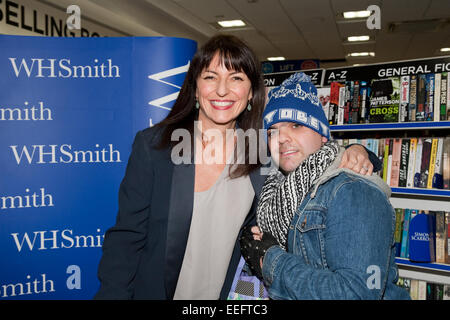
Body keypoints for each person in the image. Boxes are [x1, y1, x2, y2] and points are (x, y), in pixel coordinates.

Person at [94, 35, 379, 300]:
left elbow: (312, 161)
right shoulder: (156, 146)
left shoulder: (261, 150)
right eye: (210, 77)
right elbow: (126, 239)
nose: (222, 89)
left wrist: (358, 152)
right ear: (195, 87)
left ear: (251, 92)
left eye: (236, 78)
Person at [240, 72, 411, 300]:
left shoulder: (352, 190)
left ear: (322, 135)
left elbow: (357, 294)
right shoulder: (275, 191)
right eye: (273, 131)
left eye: (296, 125)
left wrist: (269, 260)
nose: (281, 138)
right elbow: (269, 287)